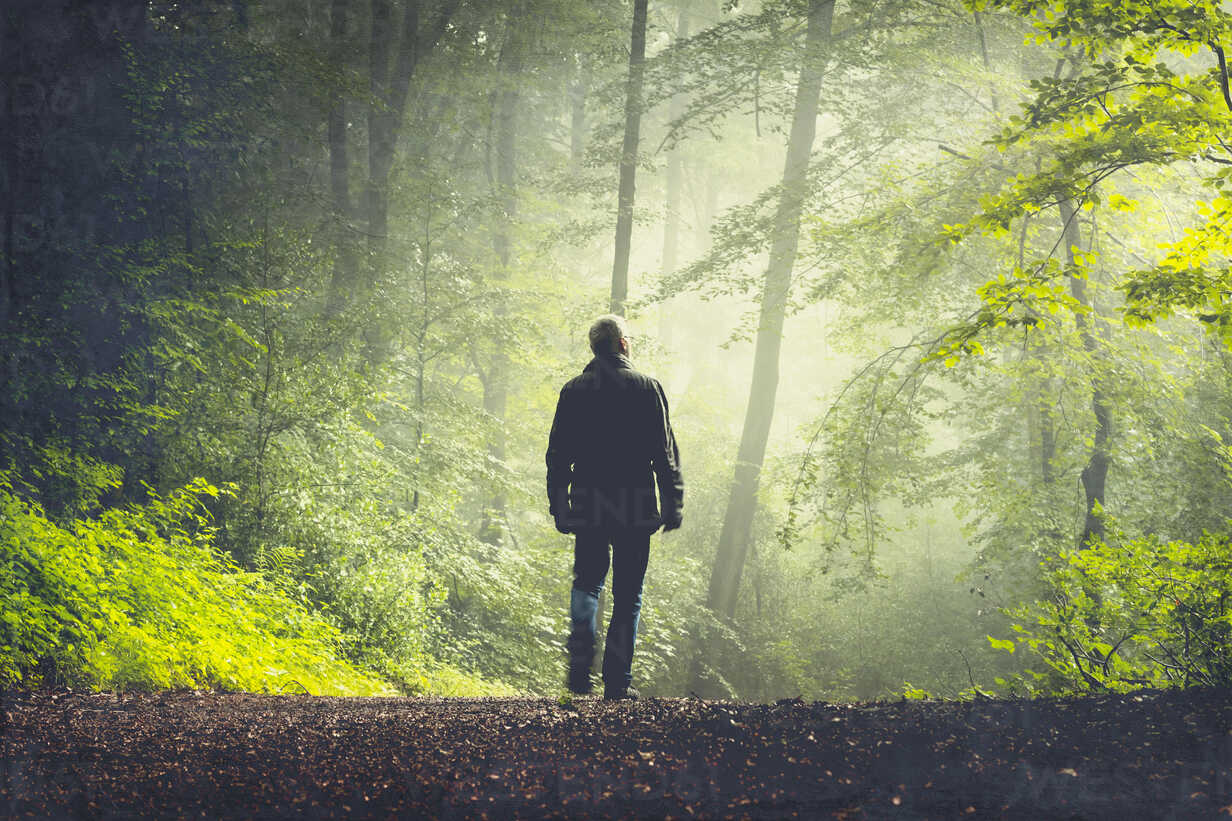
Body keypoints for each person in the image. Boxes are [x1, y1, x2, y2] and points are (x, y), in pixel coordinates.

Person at [545, 314, 683, 700]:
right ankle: (617, 682)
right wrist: (672, 503)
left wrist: (559, 507)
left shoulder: (574, 390)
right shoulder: (647, 388)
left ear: (595, 347)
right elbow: (664, 453)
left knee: (587, 584)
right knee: (628, 594)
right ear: (623, 344)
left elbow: (557, 455)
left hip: (588, 504)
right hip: (635, 505)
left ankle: (579, 671)